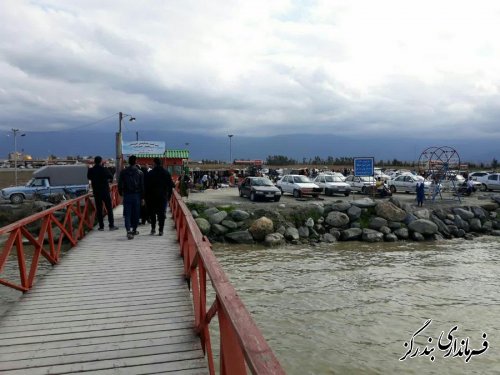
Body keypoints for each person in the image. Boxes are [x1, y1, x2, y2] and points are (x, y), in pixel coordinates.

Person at [87, 156, 118, 231]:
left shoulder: (91, 170)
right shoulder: (104, 169)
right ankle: (111, 225)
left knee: (99, 209)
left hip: (96, 192)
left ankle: (101, 226)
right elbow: (110, 177)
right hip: (105, 191)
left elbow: (89, 177)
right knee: (109, 208)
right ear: (101, 162)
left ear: (95, 161)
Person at [145, 158, 174, 236]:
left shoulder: (150, 173)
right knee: (161, 213)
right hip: (162, 196)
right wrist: (169, 196)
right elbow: (171, 185)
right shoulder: (166, 173)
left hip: (152, 196)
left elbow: (146, 186)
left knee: (153, 213)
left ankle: (153, 228)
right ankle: (161, 230)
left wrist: (145, 197)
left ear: (154, 163)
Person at [118, 155, 144, 240]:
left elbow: (120, 184)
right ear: (136, 161)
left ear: (129, 162)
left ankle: (128, 231)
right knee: (136, 213)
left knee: (127, 214)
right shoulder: (140, 172)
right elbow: (142, 186)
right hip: (137, 195)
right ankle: (134, 229)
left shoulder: (123, 172)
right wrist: (143, 197)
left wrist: (121, 194)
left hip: (127, 195)